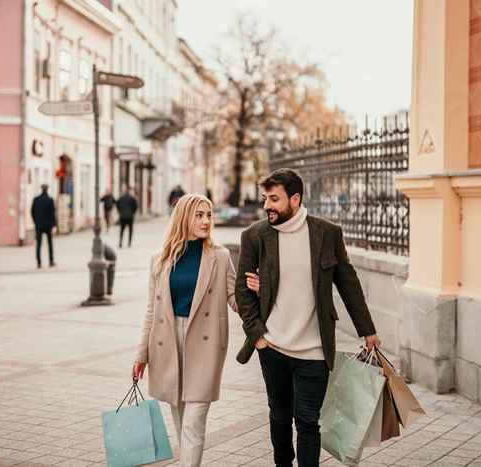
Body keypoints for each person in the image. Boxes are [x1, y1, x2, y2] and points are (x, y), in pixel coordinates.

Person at [235, 168, 381, 467]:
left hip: (315, 348)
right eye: (265, 198)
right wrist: (258, 336)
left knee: (307, 421)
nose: (266, 206)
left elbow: (349, 285)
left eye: (274, 199)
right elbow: (242, 291)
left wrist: (367, 330)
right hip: (272, 346)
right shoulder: (255, 237)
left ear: (295, 198)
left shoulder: (327, 234)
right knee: (279, 416)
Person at [132, 193, 258, 467]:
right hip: (167, 343)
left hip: (205, 344)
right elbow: (151, 311)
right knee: (181, 421)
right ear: (183, 218)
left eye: (208, 215)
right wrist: (141, 355)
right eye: (199, 215)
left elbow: (234, 299)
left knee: (194, 420)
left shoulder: (220, 256)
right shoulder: (160, 259)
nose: (206, 221)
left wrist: (255, 293)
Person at [31, 184, 57, 268]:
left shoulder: (36, 200)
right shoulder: (50, 200)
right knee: (50, 244)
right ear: (47, 190)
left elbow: (32, 212)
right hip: (48, 226)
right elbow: (53, 213)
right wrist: (54, 225)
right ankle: (51, 261)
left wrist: (35, 221)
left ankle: (38, 262)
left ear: (41, 189)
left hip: (38, 225)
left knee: (38, 244)